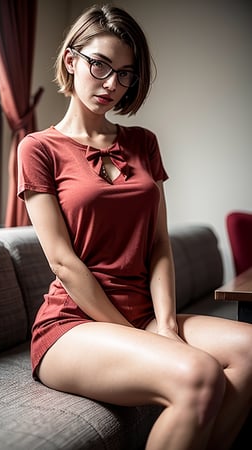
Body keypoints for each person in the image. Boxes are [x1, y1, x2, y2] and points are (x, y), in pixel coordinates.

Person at [17, 4, 252, 449]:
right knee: (199, 374)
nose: (112, 83)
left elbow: (159, 244)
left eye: (125, 73)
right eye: (100, 65)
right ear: (71, 60)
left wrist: (163, 325)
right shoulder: (38, 148)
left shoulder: (143, 142)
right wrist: (134, 333)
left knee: (251, 350)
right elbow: (64, 263)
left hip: (145, 314)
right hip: (74, 324)